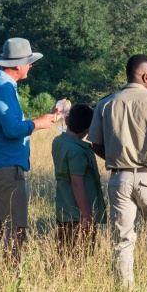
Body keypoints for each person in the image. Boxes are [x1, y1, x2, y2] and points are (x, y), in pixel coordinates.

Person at [88, 54, 147, 288]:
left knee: (122, 238)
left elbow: (96, 144)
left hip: (119, 177)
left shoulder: (106, 103)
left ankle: (125, 288)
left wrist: (116, 157)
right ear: (145, 76)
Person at [0, 37, 60, 269]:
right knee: (17, 231)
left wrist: (47, 118)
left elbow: (11, 123)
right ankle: (12, 280)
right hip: (6, 170)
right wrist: (38, 124)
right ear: (16, 65)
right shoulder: (3, 87)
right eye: (28, 62)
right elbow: (12, 129)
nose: (30, 66)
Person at [52, 103, 107, 258]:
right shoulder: (78, 152)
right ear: (88, 130)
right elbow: (77, 183)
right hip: (78, 216)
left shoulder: (58, 142)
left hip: (63, 209)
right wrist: (87, 215)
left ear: (67, 121)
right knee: (79, 256)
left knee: (64, 254)